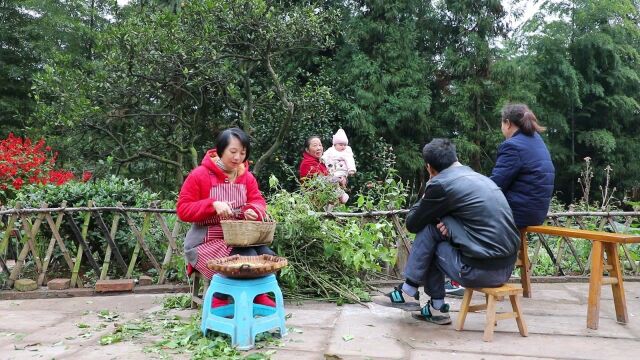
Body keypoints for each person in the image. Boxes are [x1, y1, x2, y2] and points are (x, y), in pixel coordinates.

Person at [377, 138, 520, 325]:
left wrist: (429, 191)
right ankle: (433, 306)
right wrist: (447, 220)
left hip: (479, 271)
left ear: (429, 168)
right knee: (435, 230)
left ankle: (410, 293)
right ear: (455, 158)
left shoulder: (442, 184)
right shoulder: (480, 179)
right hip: (506, 268)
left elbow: (413, 223)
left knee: (429, 233)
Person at [177, 127, 275, 308]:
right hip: (204, 241)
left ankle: (257, 295)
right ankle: (219, 298)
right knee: (247, 257)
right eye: (233, 151)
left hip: (238, 238)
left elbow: (258, 201)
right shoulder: (199, 175)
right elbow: (183, 209)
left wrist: (252, 210)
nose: (238, 157)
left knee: (267, 255)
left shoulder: (247, 178)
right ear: (220, 149)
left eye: (242, 153)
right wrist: (212, 204)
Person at [491, 103, 555, 228]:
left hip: (518, 214)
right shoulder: (537, 140)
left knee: (466, 214)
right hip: (536, 213)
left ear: (508, 123)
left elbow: (496, 184)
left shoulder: (512, 146)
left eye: (502, 123)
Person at [299, 135, 349, 203]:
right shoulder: (307, 163)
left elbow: (333, 175)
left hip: (329, 201)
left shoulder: (323, 161)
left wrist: (343, 178)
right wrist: (338, 179)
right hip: (315, 203)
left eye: (320, 145)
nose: (319, 148)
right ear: (307, 150)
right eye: (315, 145)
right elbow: (321, 180)